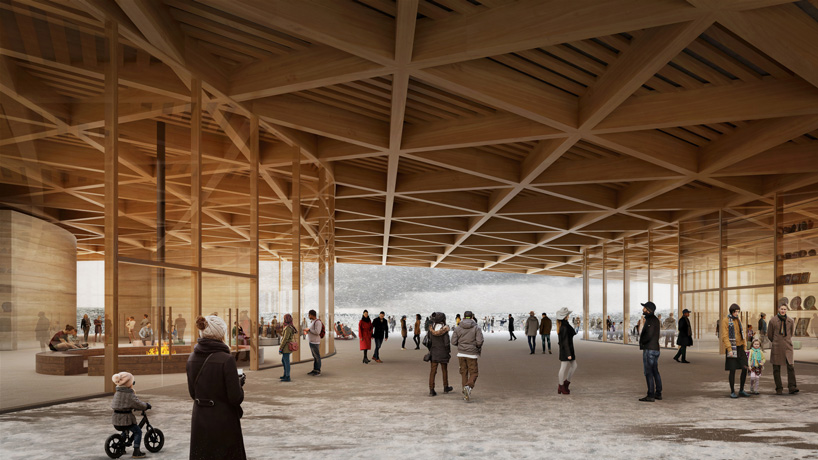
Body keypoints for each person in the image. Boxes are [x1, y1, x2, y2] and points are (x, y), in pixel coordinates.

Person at [187, 315, 246, 460]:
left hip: (200, 418)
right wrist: (239, 383)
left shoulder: (191, 358)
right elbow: (235, 397)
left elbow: (193, 393)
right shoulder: (226, 359)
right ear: (222, 334)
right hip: (223, 419)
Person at [111, 372, 150, 459]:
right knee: (137, 431)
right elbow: (138, 404)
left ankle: (122, 447)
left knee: (125, 430)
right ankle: (136, 451)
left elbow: (122, 404)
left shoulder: (117, 393)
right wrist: (146, 405)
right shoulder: (129, 394)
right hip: (126, 419)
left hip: (116, 420)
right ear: (129, 384)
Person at [451, 310, 483, 402]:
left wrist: (461, 345)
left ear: (463, 317)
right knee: (474, 373)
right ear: (472, 317)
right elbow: (479, 342)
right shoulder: (476, 328)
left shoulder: (458, 328)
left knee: (463, 373)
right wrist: (475, 346)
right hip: (472, 354)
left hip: (461, 353)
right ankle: (468, 387)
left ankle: (465, 394)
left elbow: (453, 341)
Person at [721, 303, 750, 398]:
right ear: (731, 311)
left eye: (738, 311)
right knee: (732, 370)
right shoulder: (725, 321)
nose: (737, 313)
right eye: (735, 311)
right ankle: (732, 391)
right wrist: (729, 349)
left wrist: (745, 346)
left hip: (740, 347)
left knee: (745, 367)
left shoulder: (738, 320)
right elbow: (725, 336)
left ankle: (741, 389)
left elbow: (742, 333)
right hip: (732, 347)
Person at [768, 304, 798, 395]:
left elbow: (791, 333)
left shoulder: (790, 321)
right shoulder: (773, 320)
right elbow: (770, 334)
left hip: (787, 346)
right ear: (778, 309)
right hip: (777, 346)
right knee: (776, 368)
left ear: (786, 310)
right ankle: (779, 388)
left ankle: (792, 387)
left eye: (785, 309)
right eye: (781, 309)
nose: (783, 311)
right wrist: (776, 341)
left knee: (791, 367)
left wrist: (786, 341)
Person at [639, 301, 662, 402]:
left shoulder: (651, 320)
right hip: (654, 349)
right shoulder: (654, 319)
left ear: (648, 310)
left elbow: (649, 335)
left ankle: (651, 395)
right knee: (655, 371)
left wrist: (642, 342)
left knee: (648, 372)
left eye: (644, 308)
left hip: (650, 349)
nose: (643, 309)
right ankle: (658, 393)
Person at [426, 312, 452, 396]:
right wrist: (448, 352)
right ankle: (445, 387)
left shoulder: (431, 329)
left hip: (434, 352)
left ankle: (431, 389)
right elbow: (447, 343)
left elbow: (429, 341)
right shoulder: (444, 330)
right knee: (444, 370)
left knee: (433, 371)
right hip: (443, 352)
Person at [556, 307, 576, 395]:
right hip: (566, 350)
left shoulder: (565, 325)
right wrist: (568, 354)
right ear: (565, 316)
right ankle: (561, 386)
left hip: (569, 349)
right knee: (563, 368)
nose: (569, 315)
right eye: (568, 314)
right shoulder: (564, 327)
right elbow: (564, 341)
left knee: (574, 366)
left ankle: (566, 383)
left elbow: (572, 333)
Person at [304, 309, 323, 376]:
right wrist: (308, 331)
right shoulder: (312, 322)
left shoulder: (318, 322)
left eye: (309, 315)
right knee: (314, 356)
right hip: (311, 341)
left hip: (315, 342)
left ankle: (318, 370)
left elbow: (318, 332)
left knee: (317, 356)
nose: (308, 316)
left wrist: (309, 330)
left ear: (312, 315)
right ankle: (315, 369)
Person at [279, 314, 297, 382]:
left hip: (286, 347)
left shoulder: (288, 328)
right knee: (284, 361)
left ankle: (287, 376)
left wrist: (281, 347)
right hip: (287, 346)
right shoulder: (289, 327)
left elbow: (285, 339)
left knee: (286, 362)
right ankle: (285, 374)